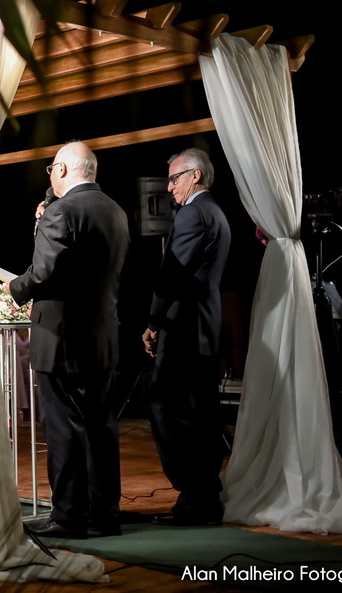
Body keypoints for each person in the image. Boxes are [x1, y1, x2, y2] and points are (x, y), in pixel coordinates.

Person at [10, 141, 129, 539]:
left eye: (51, 171)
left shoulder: (61, 211)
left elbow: (43, 272)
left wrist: (15, 287)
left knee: (64, 429)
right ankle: (104, 512)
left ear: (61, 171)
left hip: (61, 339)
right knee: (101, 428)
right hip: (102, 339)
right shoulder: (115, 210)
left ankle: (68, 516)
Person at [142, 148, 231, 526]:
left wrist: (152, 321)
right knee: (199, 414)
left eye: (175, 178)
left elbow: (173, 273)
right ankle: (201, 497)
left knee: (169, 408)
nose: (169, 186)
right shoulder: (217, 213)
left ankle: (195, 494)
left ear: (195, 176)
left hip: (184, 329)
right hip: (204, 328)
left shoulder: (194, 212)